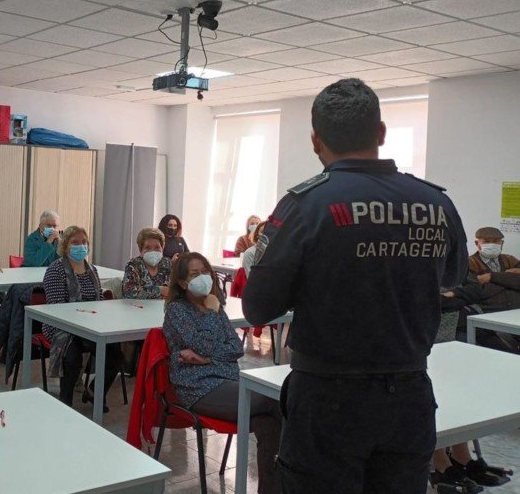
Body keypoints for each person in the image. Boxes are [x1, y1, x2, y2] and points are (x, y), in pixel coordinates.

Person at [244, 78, 467, 493]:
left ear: (315, 140)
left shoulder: (305, 205)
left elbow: (258, 307)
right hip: (409, 396)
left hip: (327, 399)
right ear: (380, 132)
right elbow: (452, 278)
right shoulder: (436, 203)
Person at [164, 252, 280, 494]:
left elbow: (236, 347)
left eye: (205, 271)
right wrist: (211, 317)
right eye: (194, 274)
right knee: (274, 401)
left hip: (226, 380)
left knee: (269, 423)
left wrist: (206, 359)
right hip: (198, 387)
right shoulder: (177, 310)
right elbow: (204, 344)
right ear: (183, 283)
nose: (203, 277)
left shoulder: (214, 305)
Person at [43, 226, 122, 412]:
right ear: (65, 246)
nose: (81, 246)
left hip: (90, 325)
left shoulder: (91, 269)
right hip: (62, 326)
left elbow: (99, 300)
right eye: (75, 242)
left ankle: (94, 391)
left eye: (84, 242)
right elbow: (56, 308)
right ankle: (65, 402)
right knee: (71, 356)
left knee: (115, 354)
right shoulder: (56, 270)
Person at [467, 226, 520, 311]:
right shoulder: (469, 263)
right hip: (485, 312)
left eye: (495, 241)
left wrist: (491, 277)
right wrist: (509, 280)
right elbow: (477, 291)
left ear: (502, 243)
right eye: (486, 241)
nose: (491, 245)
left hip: (516, 311)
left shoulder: (510, 260)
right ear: (477, 243)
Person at [122, 227, 173, 299]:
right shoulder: (133, 265)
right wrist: (159, 290)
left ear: (162, 248)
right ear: (141, 250)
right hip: (137, 305)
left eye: (157, 247)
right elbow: (130, 293)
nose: (152, 251)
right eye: (147, 248)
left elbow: (176, 290)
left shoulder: (167, 263)